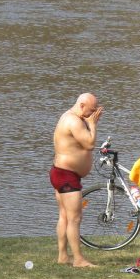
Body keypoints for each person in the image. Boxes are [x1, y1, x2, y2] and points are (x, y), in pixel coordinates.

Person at [51, 92, 103, 267]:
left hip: (62, 173)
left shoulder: (73, 117)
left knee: (65, 216)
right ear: (81, 105)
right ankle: (78, 259)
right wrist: (93, 125)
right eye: (91, 110)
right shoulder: (73, 120)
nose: (93, 114)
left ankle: (63, 256)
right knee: (74, 218)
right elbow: (89, 144)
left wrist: (89, 121)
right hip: (66, 175)